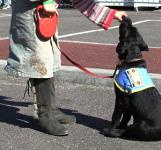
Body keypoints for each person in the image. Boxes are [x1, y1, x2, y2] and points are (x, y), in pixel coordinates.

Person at [4, 0, 128, 136]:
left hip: (45, 13)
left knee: (49, 60)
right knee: (41, 63)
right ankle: (44, 114)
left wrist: (110, 14)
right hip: (29, 13)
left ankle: (51, 109)